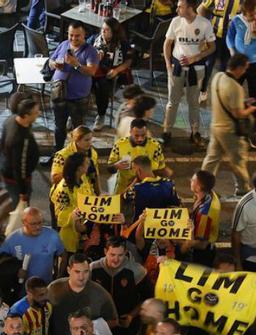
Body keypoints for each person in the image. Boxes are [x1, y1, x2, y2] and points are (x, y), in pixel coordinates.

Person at [0, 97, 40, 233]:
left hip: (6, 169)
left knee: (7, 191)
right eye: (35, 112)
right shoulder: (20, 139)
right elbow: (19, 167)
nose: (38, 114)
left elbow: (0, 144)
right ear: (26, 116)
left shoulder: (11, 120)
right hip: (16, 177)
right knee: (16, 203)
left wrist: (1, 160)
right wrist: (22, 191)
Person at [204, 53, 256, 196]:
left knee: (211, 159)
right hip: (229, 131)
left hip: (215, 126)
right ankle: (243, 189)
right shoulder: (235, 87)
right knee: (238, 161)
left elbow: (226, 101)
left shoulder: (218, 77)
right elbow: (238, 113)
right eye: (244, 68)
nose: (245, 72)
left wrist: (244, 102)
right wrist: (251, 108)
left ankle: (203, 186)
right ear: (238, 68)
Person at [165, 0, 215, 147]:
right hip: (177, 67)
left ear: (190, 7)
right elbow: (167, 44)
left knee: (194, 102)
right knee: (172, 102)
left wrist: (196, 57)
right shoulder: (175, 22)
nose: (177, 9)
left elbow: (212, 47)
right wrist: (168, 66)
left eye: (180, 6)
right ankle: (167, 132)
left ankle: (194, 133)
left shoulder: (204, 23)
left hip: (197, 68)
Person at [49, 252, 119, 335]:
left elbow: (114, 321)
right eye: (77, 272)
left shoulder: (100, 293)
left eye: (86, 272)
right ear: (69, 270)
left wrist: (91, 326)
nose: (81, 277)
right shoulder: (54, 289)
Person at [49, 22, 99, 151]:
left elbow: (92, 71)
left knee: (79, 131)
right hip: (59, 95)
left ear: (84, 35)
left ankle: (80, 156)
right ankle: (57, 154)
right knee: (59, 127)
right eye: (71, 35)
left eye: (77, 36)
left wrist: (76, 64)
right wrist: (54, 64)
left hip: (78, 98)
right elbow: (50, 60)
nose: (73, 38)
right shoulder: (64, 44)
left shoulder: (90, 51)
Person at [0, 207, 66, 283]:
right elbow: (0, 264)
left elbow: (63, 255)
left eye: (40, 222)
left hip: (45, 288)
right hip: (21, 290)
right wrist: (15, 272)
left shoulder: (52, 236)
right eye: (33, 224)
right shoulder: (12, 239)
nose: (38, 227)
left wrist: (59, 277)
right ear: (23, 222)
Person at [108, 118, 170, 193]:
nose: (140, 139)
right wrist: (116, 166)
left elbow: (161, 169)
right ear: (130, 132)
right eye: (136, 136)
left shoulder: (155, 146)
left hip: (146, 189)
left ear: (146, 132)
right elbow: (109, 168)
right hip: (123, 189)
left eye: (143, 135)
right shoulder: (119, 145)